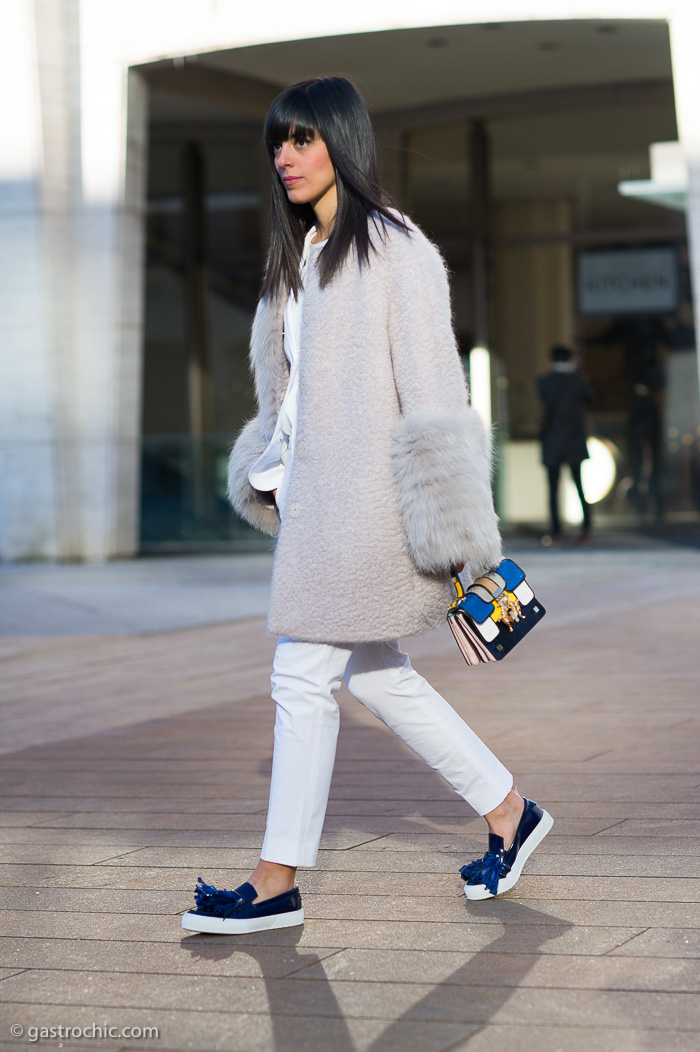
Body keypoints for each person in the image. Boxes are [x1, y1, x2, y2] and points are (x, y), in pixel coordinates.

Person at [181, 76, 553, 935]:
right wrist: (269, 466)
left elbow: (434, 397)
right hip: (318, 507)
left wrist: (464, 541)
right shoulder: (298, 261)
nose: (285, 156)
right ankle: (509, 812)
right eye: (278, 141)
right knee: (373, 674)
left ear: (343, 143)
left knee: (300, 672)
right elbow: (296, 400)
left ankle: (275, 883)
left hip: (370, 512)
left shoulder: (395, 250)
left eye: (304, 139)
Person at [537, 346, 594, 545]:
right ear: (570, 361)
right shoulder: (577, 381)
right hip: (574, 440)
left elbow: (547, 403)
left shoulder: (543, 382)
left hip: (553, 440)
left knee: (553, 489)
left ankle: (556, 532)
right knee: (580, 486)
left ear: (551, 361)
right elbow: (591, 399)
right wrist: (577, 371)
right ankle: (586, 529)